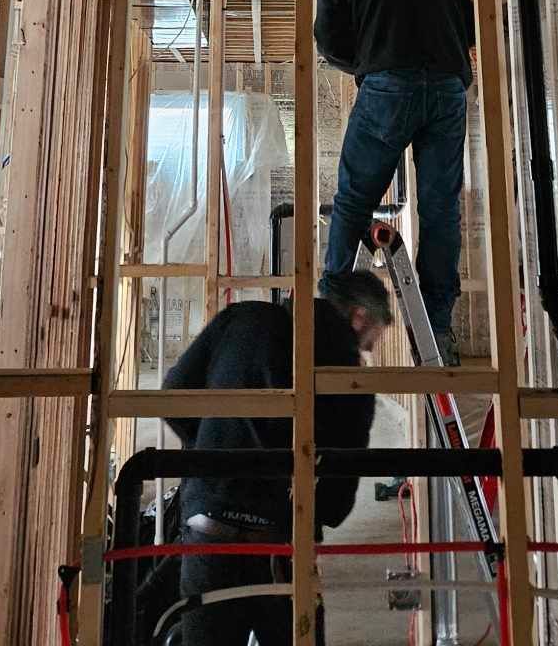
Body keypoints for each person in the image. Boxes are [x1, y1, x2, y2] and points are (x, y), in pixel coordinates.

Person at [159, 272, 392, 644]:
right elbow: (337, 499)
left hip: (209, 527)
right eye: (373, 336)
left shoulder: (241, 318)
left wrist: (210, 453)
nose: (370, 348)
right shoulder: (348, 372)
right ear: (359, 317)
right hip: (279, 542)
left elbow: (172, 395)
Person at [314, 0, 474, 361]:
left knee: (353, 201)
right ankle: (438, 327)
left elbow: (329, 43)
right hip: (448, 88)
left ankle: (332, 312)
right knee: (441, 209)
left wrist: (370, 59)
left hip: (389, 84)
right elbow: (469, 28)